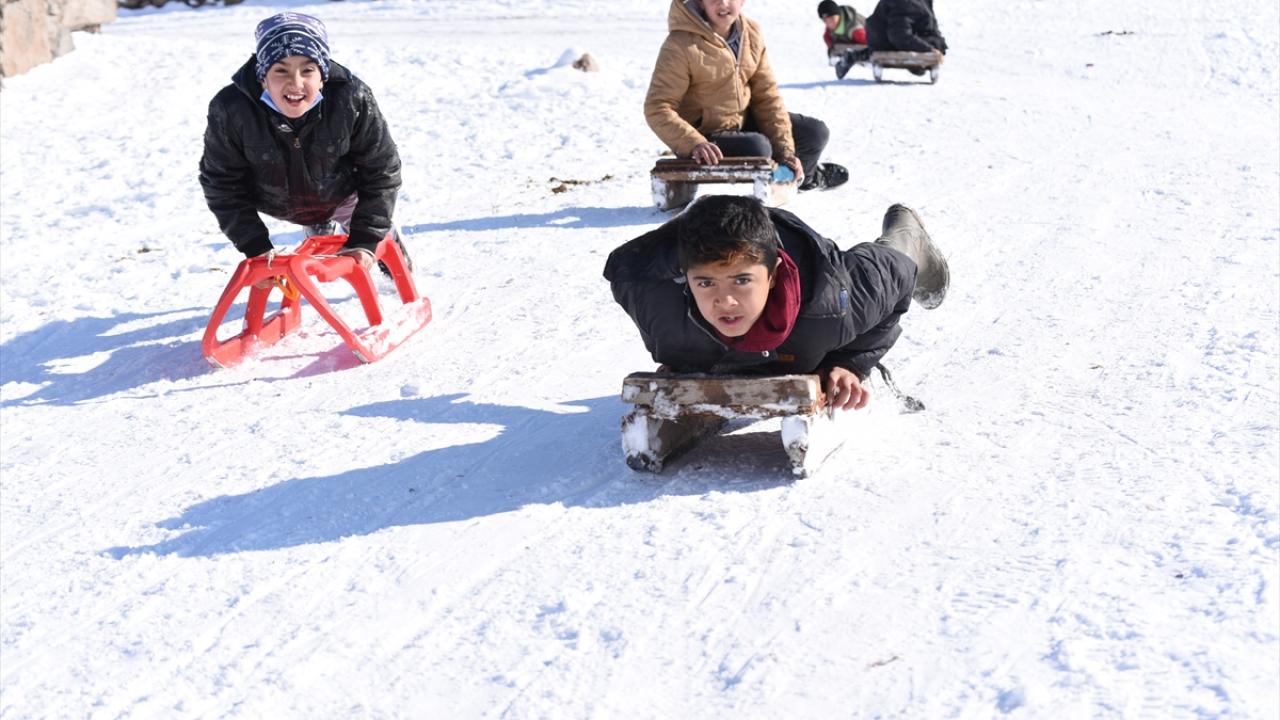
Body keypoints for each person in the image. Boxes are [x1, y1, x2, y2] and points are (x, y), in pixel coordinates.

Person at [604, 195, 949, 411]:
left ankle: (906, 233)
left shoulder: (830, 307)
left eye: (742, 281)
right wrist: (688, 365)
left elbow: (899, 280)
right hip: (704, 233)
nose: (724, 300)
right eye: (705, 283)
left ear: (772, 276)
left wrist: (850, 362)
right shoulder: (658, 309)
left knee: (893, 258)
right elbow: (625, 273)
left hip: (820, 269)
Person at [199, 12, 404, 273]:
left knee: (372, 238)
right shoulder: (231, 109)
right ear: (262, 77)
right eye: (280, 70)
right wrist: (255, 247)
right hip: (276, 198)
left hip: (340, 192)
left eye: (307, 70)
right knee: (316, 227)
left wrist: (366, 237)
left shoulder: (351, 97)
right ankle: (319, 225)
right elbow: (221, 183)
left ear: (323, 76)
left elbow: (381, 169)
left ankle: (392, 256)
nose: (295, 83)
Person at [644, 0, 848, 192]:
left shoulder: (750, 33)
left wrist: (786, 152)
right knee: (759, 148)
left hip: (740, 122)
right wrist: (693, 142)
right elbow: (658, 107)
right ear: (700, 1)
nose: (723, 3)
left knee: (814, 133)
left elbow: (766, 97)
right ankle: (777, 176)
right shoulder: (680, 44)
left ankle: (804, 177)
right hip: (704, 136)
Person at [865, 0, 947, 74]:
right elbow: (899, 35)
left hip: (902, 37)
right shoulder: (904, 3)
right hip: (887, 43)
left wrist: (939, 44)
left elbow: (931, 25)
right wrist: (928, 49)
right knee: (934, 44)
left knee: (937, 43)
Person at [817, 1, 871, 80]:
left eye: (832, 18)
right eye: (825, 21)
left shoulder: (855, 29)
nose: (829, 23)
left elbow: (871, 42)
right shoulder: (829, 32)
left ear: (838, 15)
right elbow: (828, 39)